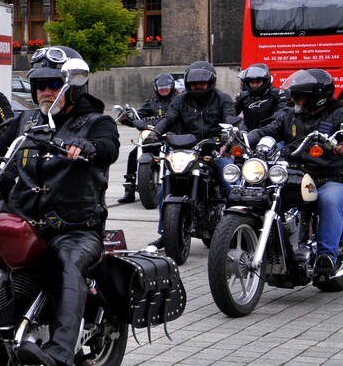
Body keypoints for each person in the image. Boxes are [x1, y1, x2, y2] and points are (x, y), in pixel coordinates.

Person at [0, 46, 120, 366]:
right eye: (39, 85)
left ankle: (58, 355)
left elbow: (109, 146)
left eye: (52, 84)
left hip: (75, 228)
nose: (44, 92)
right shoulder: (25, 120)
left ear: (71, 86)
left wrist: (89, 148)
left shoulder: (95, 122)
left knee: (67, 261)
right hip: (23, 222)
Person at [246, 69, 343, 283]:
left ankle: (326, 255)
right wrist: (245, 137)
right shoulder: (290, 114)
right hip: (296, 173)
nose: (295, 99)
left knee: (329, 200)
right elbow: (267, 130)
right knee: (266, 194)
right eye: (295, 95)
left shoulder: (339, 113)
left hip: (331, 177)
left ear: (318, 97)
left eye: (300, 96)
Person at [145, 60, 236, 247]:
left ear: (211, 82)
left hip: (214, 150)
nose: (198, 86)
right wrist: (154, 133)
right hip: (186, 151)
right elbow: (169, 118)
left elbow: (231, 121)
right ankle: (166, 233)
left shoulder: (222, 99)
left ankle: (234, 229)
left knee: (230, 185)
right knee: (165, 189)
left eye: (202, 83)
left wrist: (228, 140)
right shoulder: (180, 100)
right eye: (194, 83)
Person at [117, 73, 176, 203]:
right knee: (133, 155)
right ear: (156, 88)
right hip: (151, 138)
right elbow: (138, 117)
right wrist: (125, 118)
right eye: (161, 88)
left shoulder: (177, 101)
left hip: (170, 137)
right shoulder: (151, 103)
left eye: (166, 87)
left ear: (171, 87)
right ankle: (129, 191)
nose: (164, 90)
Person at [235, 63, 288, 130]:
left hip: (271, 133)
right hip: (248, 134)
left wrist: (269, 125)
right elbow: (231, 113)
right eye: (252, 82)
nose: (255, 85)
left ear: (265, 81)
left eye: (258, 82)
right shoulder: (242, 96)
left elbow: (283, 112)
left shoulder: (277, 94)